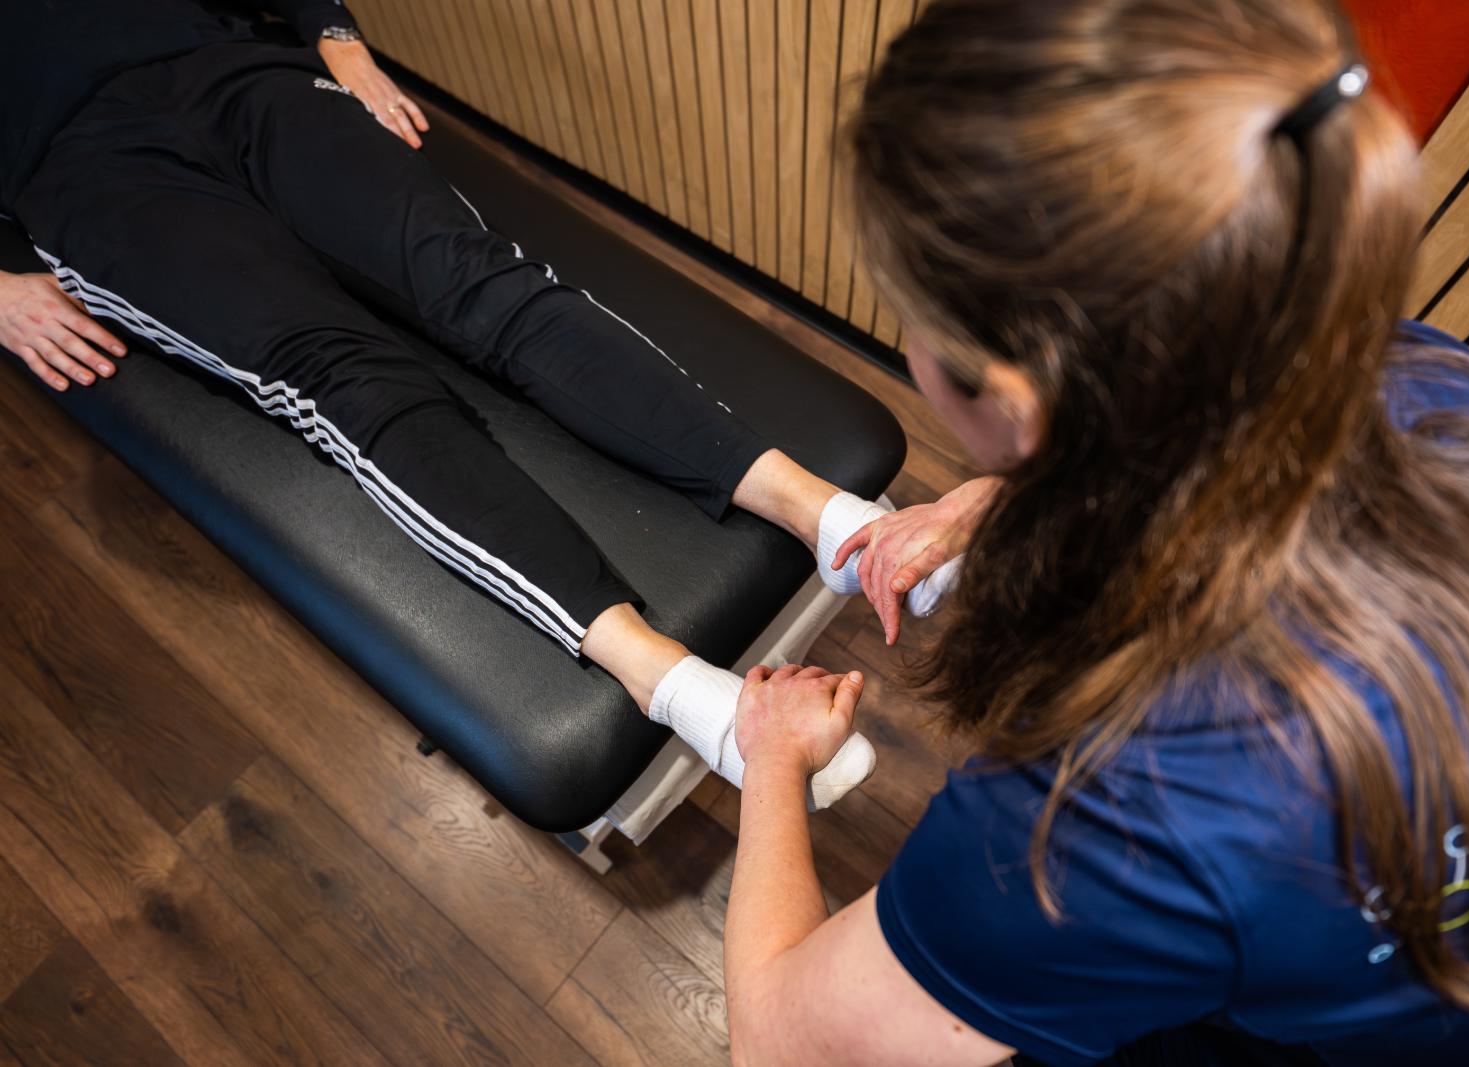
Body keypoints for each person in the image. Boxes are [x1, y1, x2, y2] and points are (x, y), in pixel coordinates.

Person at [721, 0, 1469, 1063]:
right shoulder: (1446, 387)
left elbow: (780, 1040)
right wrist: (993, 499)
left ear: (1014, 392)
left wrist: (773, 754)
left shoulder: (1114, 815)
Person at [0, 0, 965, 807]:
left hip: (225, 65)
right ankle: (668, 683)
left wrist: (331, 30)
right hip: (74, 166)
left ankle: (832, 523)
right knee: (341, 379)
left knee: (481, 282)